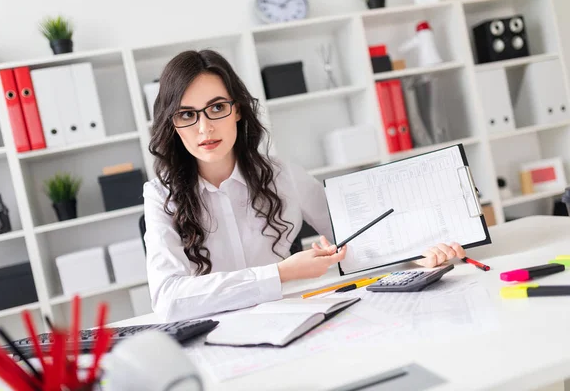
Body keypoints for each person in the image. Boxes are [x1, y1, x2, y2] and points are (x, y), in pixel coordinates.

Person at [143, 50, 466, 323]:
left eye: (216, 108)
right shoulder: (159, 195)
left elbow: (358, 234)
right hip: (215, 334)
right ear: (171, 123)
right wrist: (280, 274)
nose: (204, 128)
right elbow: (169, 299)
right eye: (186, 114)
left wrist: (415, 258)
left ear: (237, 110)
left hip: (293, 320)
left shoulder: (282, 175)